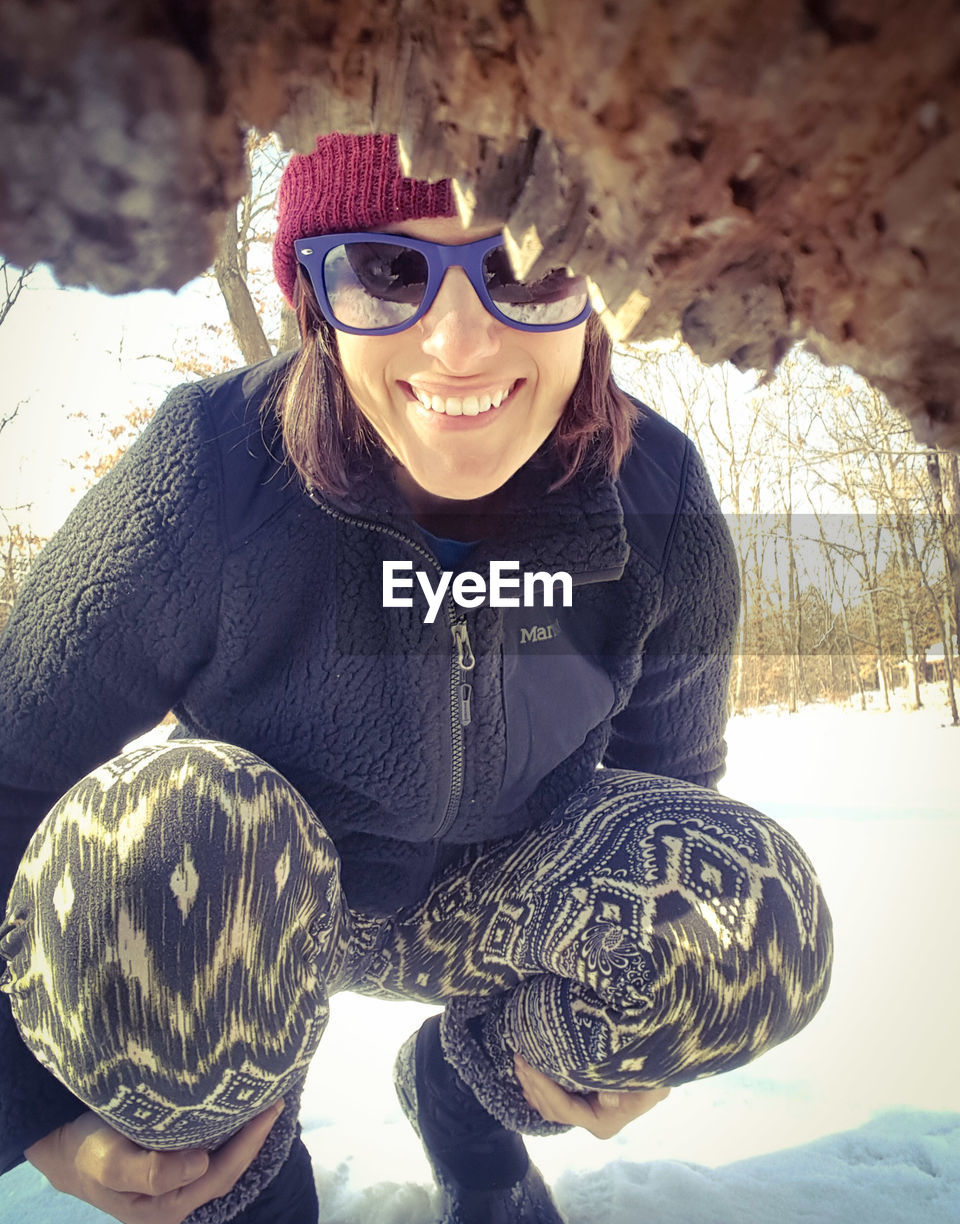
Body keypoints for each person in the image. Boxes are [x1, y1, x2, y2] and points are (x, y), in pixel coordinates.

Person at [0, 132, 833, 1224]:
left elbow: (670, 799)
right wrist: (30, 1107)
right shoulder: (207, 472)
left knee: (742, 908)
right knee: (156, 845)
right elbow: (14, 769)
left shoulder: (658, 494)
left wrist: (637, 1016)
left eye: (527, 268)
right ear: (315, 299)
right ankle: (239, 1181)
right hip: (253, 903)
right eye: (388, 270)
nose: (458, 344)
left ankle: (464, 1098)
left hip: (501, 902)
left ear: (595, 287)